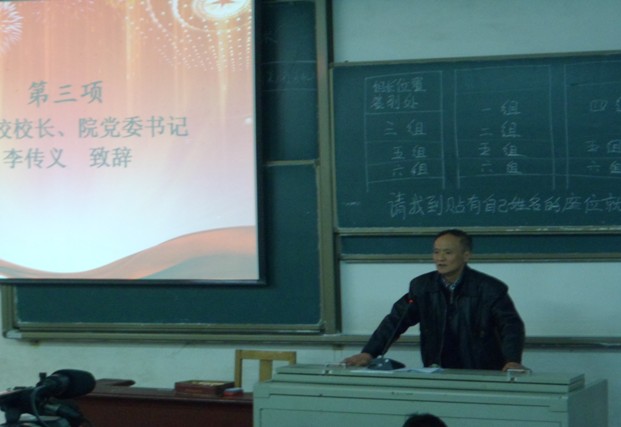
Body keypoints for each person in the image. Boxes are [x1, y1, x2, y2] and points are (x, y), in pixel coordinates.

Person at [343, 229, 526, 371]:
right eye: (436, 252)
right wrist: (369, 353)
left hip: (482, 372)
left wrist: (512, 360)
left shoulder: (489, 289)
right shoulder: (422, 287)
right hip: (437, 370)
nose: (440, 258)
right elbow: (395, 321)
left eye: (447, 253)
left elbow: (511, 326)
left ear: (466, 255)